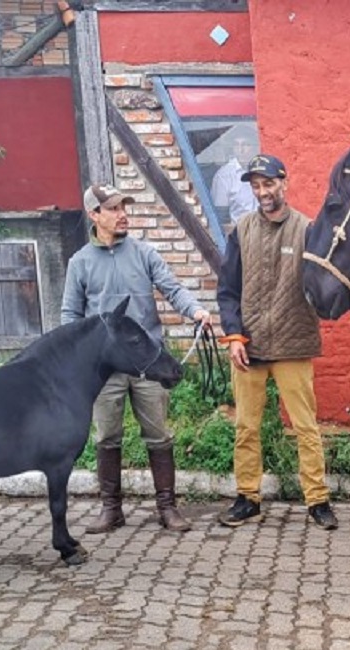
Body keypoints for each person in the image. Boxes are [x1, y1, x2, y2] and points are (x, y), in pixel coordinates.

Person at [62, 183, 212, 534]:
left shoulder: (144, 253)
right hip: (104, 369)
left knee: (158, 435)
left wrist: (197, 311)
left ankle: (167, 508)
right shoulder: (79, 263)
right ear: (94, 215)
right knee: (106, 437)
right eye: (113, 208)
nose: (122, 214)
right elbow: (70, 315)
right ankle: (111, 509)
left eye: (123, 207)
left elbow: (173, 289)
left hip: (147, 363)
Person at [216, 154, 338, 530]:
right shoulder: (241, 231)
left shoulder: (307, 230)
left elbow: (325, 282)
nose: (262, 192)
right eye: (255, 186)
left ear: (284, 183)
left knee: (305, 427)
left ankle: (317, 500)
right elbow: (227, 290)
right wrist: (234, 335)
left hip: (294, 345)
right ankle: (247, 498)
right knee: (246, 428)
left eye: (268, 184)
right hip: (248, 347)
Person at [210, 129, 258, 227]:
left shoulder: (263, 169)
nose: (241, 150)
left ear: (255, 147)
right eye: (237, 145)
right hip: (241, 233)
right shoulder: (224, 175)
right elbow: (221, 216)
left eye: (246, 145)